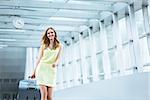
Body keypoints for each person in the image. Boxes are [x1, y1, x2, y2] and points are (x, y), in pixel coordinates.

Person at [31, 27, 62, 100]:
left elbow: (58, 58)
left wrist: (56, 64)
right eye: (48, 33)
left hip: (51, 71)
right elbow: (38, 59)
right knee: (44, 95)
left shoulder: (60, 46)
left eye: (52, 32)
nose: (50, 34)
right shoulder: (43, 46)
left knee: (50, 97)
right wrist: (34, 72)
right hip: (42, 70)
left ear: (55, 34)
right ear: (46, 35)